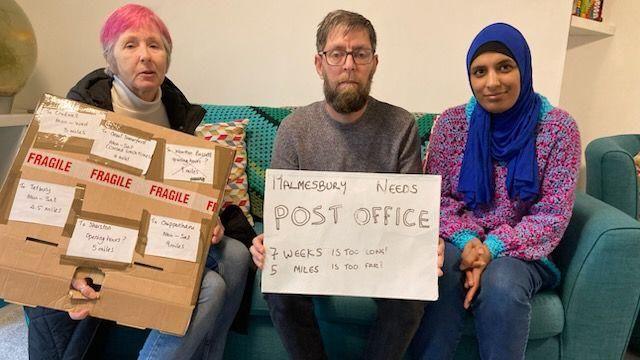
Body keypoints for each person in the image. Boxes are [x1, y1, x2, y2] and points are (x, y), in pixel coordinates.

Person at [24, 4, 250, 360]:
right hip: (98, 246)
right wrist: (65, 268)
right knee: (210, 287)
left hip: (157, 242)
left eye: (155, 45)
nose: (145, 56)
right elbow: (45, 200)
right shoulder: (80, 111)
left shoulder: (178, 113)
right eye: (130, 45)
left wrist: (207, 218)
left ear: (167, 57)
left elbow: (181, 194)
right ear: (109, 60)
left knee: (236, 255)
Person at [249, 10, 444, 360]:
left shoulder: (401, 126)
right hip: (314, 257)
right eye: (337, 53)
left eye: (360, 53)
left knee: (413, 296)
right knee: (277, 288)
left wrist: (426, 245)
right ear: (319, 63)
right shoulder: (293, 129)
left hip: (379, 258)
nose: (349, 64)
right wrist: (268, 241)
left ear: (374, 62)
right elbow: (280, 217)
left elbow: (412, 217)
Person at [409, 23, 581, 359]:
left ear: (523, 67)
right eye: (479, 71)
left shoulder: (559, 128)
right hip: (461, 241)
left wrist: (493, 247)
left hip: (524, 250)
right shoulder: (452, 123)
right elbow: (435, 199)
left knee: (502, 284)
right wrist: (468, 242)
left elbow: (552, 214)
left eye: (504, 67)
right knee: (439, 275)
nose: (492, 82)